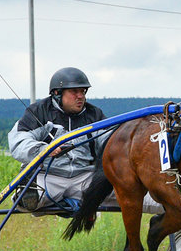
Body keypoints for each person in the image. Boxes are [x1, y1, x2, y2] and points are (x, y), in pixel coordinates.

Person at [8, 67, 107, 210]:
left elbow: (109, 142)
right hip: (49, 175)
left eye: (83, 91)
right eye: (74, 92)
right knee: (29, 201)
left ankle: (73, 202)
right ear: (57, 93)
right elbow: (18, 141)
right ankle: (32, 193)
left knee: (131, 192)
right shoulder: (38, 111)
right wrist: (44, 150)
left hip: (84, 176)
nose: (80, 96)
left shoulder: (94, 114)